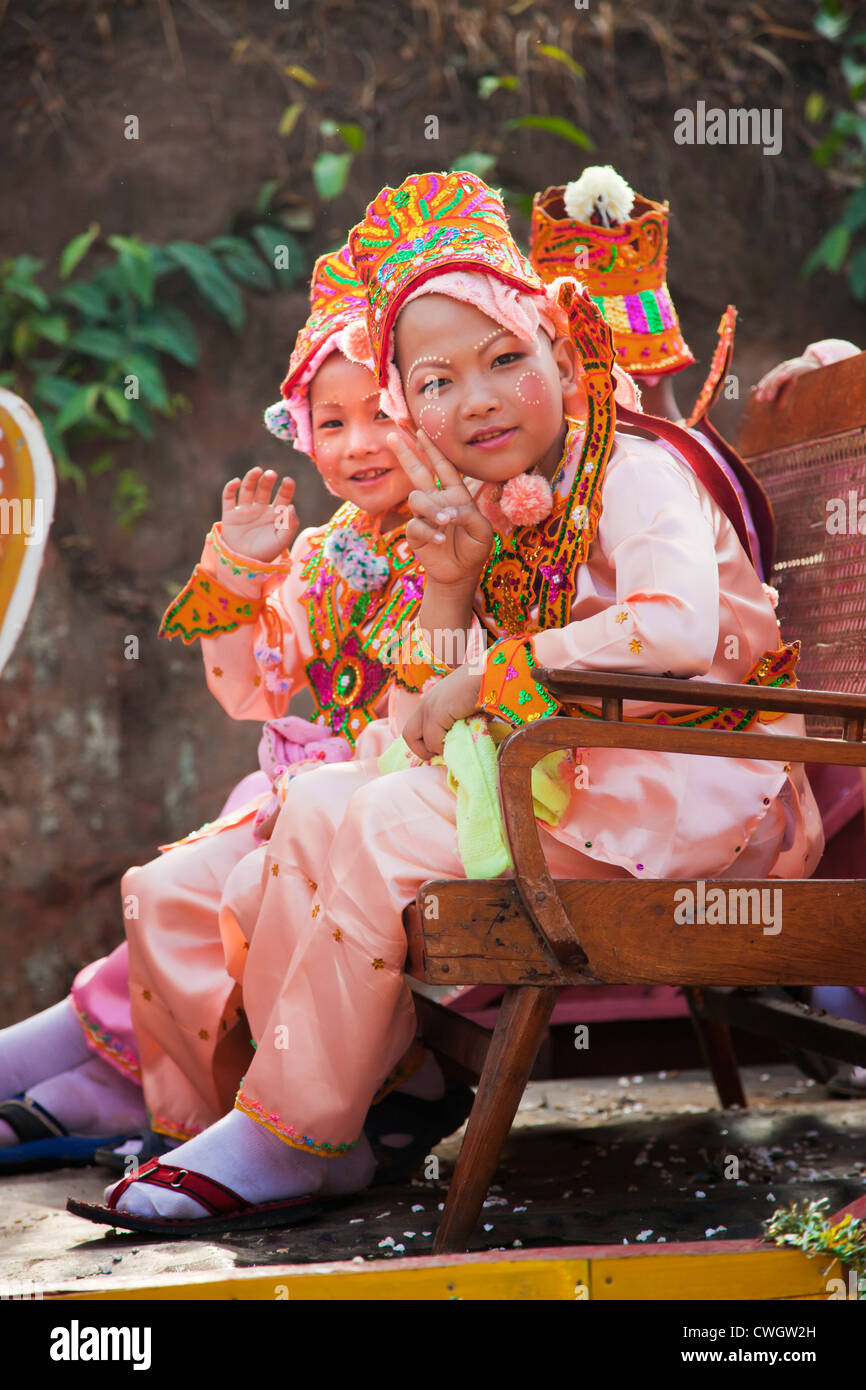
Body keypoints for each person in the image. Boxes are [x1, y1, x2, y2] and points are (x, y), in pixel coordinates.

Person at [69, 170, 822, 1236]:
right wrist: (457, 588)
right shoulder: (485, 506)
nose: (472, 400)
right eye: (433, 382)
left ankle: (291, 1129)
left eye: (504, 360)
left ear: (560, 354)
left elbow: (671, 631)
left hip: (690, 792)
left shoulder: (634, 467)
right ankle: (328, 1107)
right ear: (409, 405)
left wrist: (484, 677)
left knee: (375, 817)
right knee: (324, 801)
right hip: (574, 776)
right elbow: (428, 698)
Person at [2, 245, 469, 1173]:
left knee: (182, 888)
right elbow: (250, 693)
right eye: (329, 423)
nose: (357, 443)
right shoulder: (331, 551)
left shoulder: (463, 524)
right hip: (310, 790)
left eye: (382, 412)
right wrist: (240, 570)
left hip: (399, 789)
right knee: (165, 885)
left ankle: (173, 1109)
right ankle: (139, 1091)